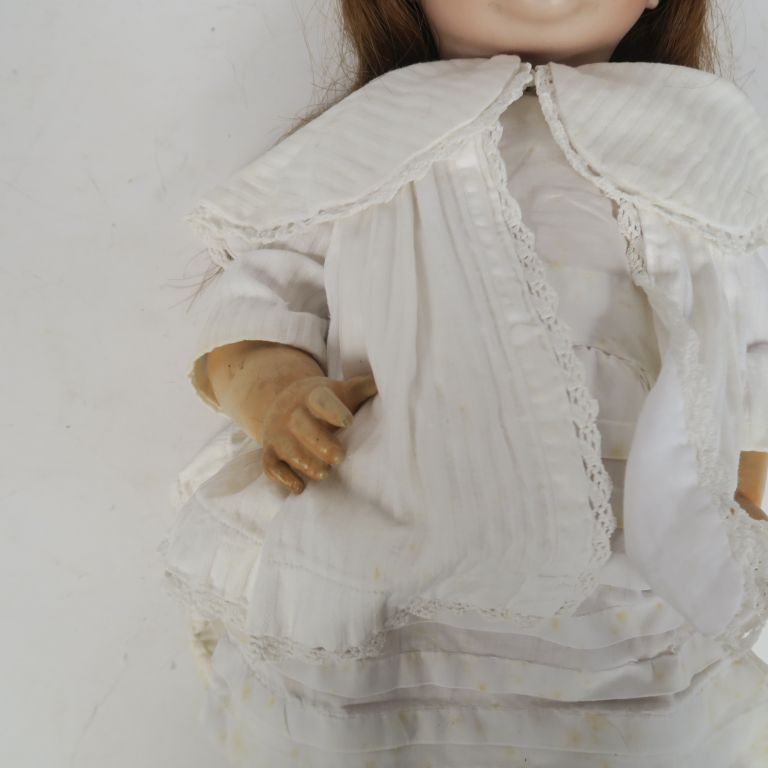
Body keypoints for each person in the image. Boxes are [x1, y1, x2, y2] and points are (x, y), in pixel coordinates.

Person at [160, 1, 768, 764]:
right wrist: (274, 392)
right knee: (364, 713)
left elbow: (745, 338)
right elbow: (260, 300)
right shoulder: (369, 135)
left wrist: (738, 484)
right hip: (386, 549)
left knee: (644, 722)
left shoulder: (702, 140)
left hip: (635, 580)